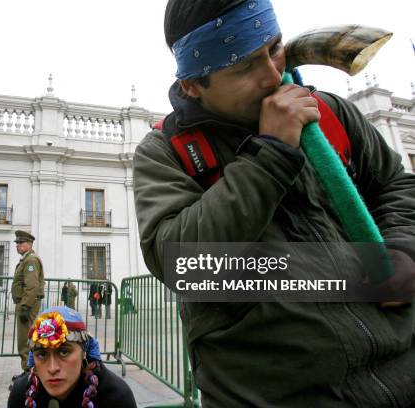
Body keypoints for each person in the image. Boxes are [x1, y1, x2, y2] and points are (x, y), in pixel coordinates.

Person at [133, 0, 415, 406]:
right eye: (243, 67)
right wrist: (271, 154)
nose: (270, 75)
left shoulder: (330, 112)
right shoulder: (167, 152)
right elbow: (182, 262)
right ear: (194, 85)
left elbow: (396, 185)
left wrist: (404, 252)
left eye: (274, 47)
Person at [7, 306, 136, 408]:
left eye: (64, 352)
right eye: (42, 354)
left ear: (84, 352)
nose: (52, 368)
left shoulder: (115, 398)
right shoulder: (20, 394)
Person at [11, 230, 44, 375]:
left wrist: (24, 307)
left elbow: (32, 286)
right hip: (27, 303)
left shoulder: (30, 260)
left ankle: (29, 372)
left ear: (29, 244)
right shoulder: (27, 259)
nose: (18, 245)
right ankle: (29, 370)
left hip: (28, 304)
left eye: (21, 243)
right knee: (25, 338)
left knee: (25, 340)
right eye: (17, 243)